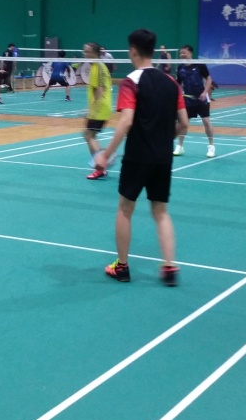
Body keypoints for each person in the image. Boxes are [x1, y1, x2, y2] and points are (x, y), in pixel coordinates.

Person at [92, 29, 188, 286]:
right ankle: (169, 267)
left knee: (125, 209)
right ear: (153, 50)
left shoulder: (130, 82)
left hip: (137, 156)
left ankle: (122, 267)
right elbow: (184, 123)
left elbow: (126, 121)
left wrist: (105, 154)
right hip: (163, 157)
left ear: (133, 50)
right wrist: (164, 139)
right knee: (161, 212)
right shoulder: (171, 83)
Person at [174, 45, 215, 157]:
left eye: (184, 52)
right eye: (181, 53)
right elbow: (178, 83)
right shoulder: (180, 68)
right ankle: (180, 146)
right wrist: (179, 93)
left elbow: (209, 79)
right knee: (183, 123)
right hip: (187, 99)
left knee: (206, 121)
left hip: (201, 98)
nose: (182, 55)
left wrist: (205, 92)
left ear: (190, 53)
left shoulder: (199, 65)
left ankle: (211, 146)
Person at [83, 42, 114, 180]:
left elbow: (99, 90)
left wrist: (91, 111)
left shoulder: (97, 67)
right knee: (90, 135)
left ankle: (101, 165)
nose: (84, 54)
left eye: (87, 51)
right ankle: (101, 164)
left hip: (99, 109)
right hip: (101, 108)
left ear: (94, 53)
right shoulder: (97, 66)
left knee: (89, 135)